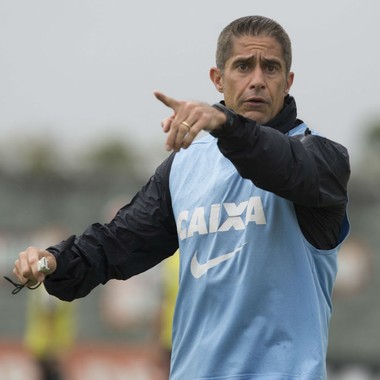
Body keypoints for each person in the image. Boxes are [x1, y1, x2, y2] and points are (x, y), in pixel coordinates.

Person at [11, 15, 350, 379]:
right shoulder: (185, 166)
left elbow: (278, 162)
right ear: (218, 79)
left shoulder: (320, 161)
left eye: (270, 68)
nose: (257, 80)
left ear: (288, 81)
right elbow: (115, 245)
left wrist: (227, 123)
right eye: (242, 66)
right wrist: (56, 261)